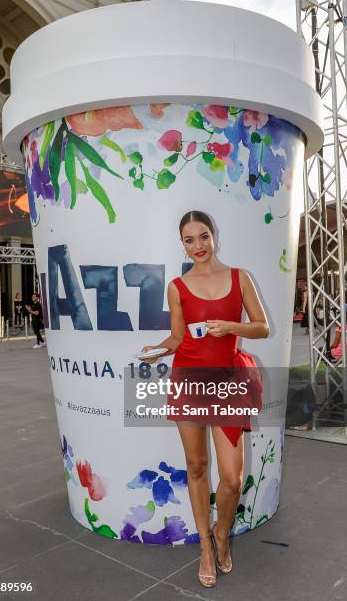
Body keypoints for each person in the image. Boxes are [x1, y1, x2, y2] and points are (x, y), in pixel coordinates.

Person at [141, 210, 269, 588]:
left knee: (231, 478)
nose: (197, 245)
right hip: (188, 381)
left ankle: (222, 532)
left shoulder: (239, 277)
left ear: (215, 236)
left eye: (202, 236)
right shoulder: (177, 287)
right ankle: (204, 547)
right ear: (182, 243)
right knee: (196, 466)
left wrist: (232, 327)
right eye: (188, 240)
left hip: (228, 382)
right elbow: (179, 338)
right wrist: (156, 350)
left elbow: (261, 327)